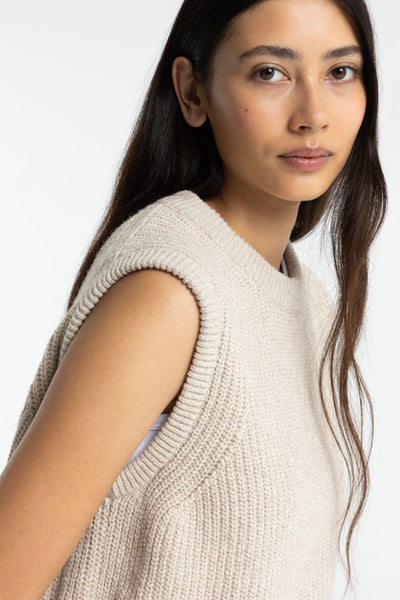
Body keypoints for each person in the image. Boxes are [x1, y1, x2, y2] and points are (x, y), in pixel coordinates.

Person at [0, 0, 387, 598]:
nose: (313, 115)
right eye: (270, 72)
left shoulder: (309, 304)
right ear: (192, 92)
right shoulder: (170, 294)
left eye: (340, 71)